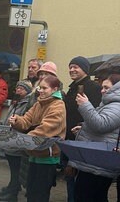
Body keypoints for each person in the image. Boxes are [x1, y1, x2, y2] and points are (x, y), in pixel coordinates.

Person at [9, 75, 66, 202]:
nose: (41, 90)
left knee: (40, 194)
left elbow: (45, 129)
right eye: (40, 87)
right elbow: (26, 120)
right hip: (34, 153)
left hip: (47, 157)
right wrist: (17, 120)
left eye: (44, 88)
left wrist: (24, 140)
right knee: (31, 192)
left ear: (55, 89)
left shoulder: (58, 105)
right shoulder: (38, 103)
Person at [70, 73, 120, 202]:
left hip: (99, 163)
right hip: (95, 161)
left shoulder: (117, 105)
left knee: (88, 196)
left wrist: (85, 105)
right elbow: (105, 127)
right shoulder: (109, 104)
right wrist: (83, 128)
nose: (102, 90)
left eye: (106, 87)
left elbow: (101, 124)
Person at [63, 56, 102, 202]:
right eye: (70, 66)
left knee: (78, 178)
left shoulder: (93, 87)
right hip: (69, 138)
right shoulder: (72, 87)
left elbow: (95, 112)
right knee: (69, 176)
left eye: (76, 67)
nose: (72, 69)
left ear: (85, 69)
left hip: (82, 139)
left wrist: (83, 127)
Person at [0, 80, 34, 201]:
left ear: (27, 91)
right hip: (10, 138)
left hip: (18, 139)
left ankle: (13, 192)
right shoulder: (16, 102)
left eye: (21, 89)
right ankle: (11, 187)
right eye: (17, 88)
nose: (18, 90)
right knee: (13, 168)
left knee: (16, 168)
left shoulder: (27, 103)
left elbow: (24, 120)